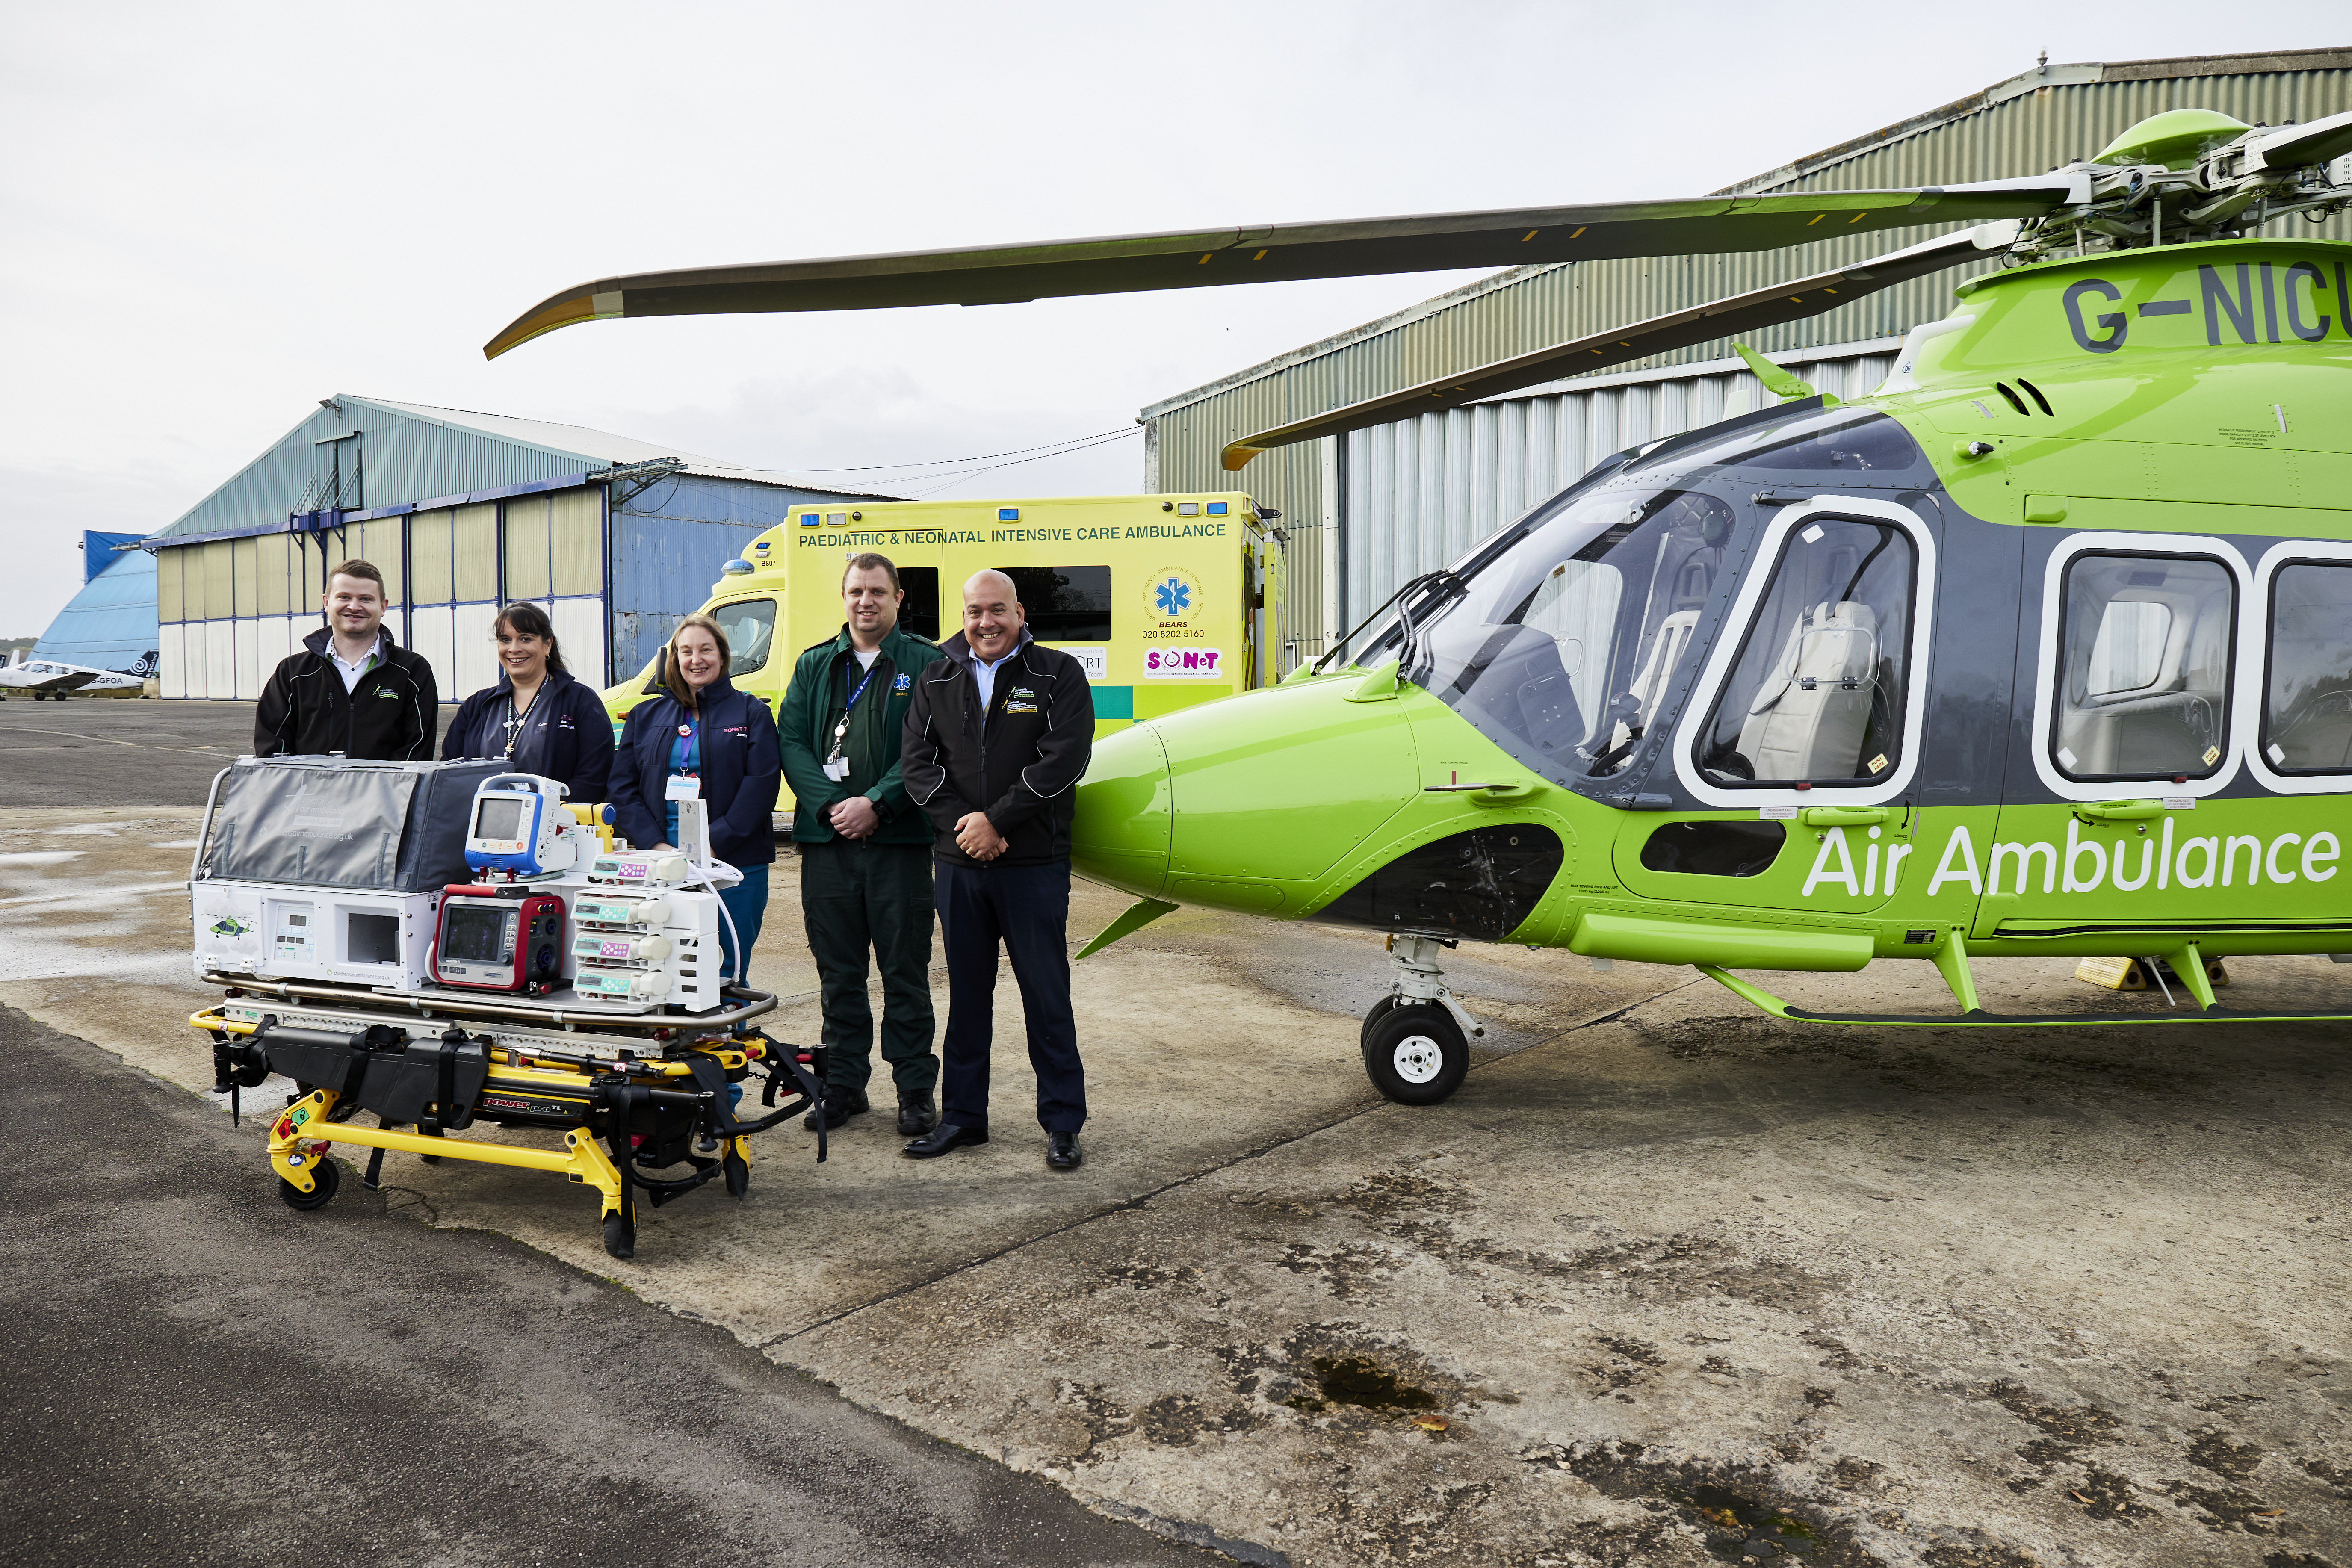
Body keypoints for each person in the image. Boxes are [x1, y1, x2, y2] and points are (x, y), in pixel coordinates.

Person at [899, 568, 1095, 1171]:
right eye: (975, 611)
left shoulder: (1057, 673)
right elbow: (918, 765)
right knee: (968, 995)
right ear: (964, 615)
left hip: (1032, 865)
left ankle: (1063, 1123)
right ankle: (963, 1117)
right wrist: (969, 826)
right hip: (960, 865)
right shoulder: (937, 674)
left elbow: (1065, 757)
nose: (985, 622)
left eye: (997, 610)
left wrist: (999, 822)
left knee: (1046, 993)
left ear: (1019, 612)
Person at [778, 554, 943, 1136]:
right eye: (855, 590)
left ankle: (915, 1089)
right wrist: (831, 805)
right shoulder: (815, 664)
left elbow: (931, 744)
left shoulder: (926, 661)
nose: (865, 601)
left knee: (905, 969)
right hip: (828, 844)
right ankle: (844, 1084)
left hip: (898, 840)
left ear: (898, 597)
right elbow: (793, 741)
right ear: (843, 596)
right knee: (838, 971)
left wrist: (877, 801)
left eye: (877, 590)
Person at [609, 615, 779, 985]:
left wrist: (712, 845)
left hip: (733, 866)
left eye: (706, 649)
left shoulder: (752, 713)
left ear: (722, 656)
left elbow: (761, 786)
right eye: (686, 651)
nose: (696, 659)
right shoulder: (646, 714)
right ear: (674, 659)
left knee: (727, 969)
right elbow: (622, 788)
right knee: (665, 966)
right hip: (662, 866)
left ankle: (728, 1038)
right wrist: (656, 846)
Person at [254, 559, 437, 759]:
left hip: (385, 790)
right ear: (326, 603)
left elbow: (418, 748)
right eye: (344, 597)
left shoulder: (412, 671)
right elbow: (273, 747)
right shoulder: (292, 673)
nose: (354, 606)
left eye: (366, 599)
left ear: (383, 607)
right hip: (307, 789)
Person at [441, 602, 616, 804]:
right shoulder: (477, 705)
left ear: (547, 645)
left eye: (525, 639)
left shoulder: (580, 701)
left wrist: (548, 814)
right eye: (505, 640)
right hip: (482, 826)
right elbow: (450, 771)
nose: (514, 649)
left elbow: (594, 777)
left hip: (555, 825)